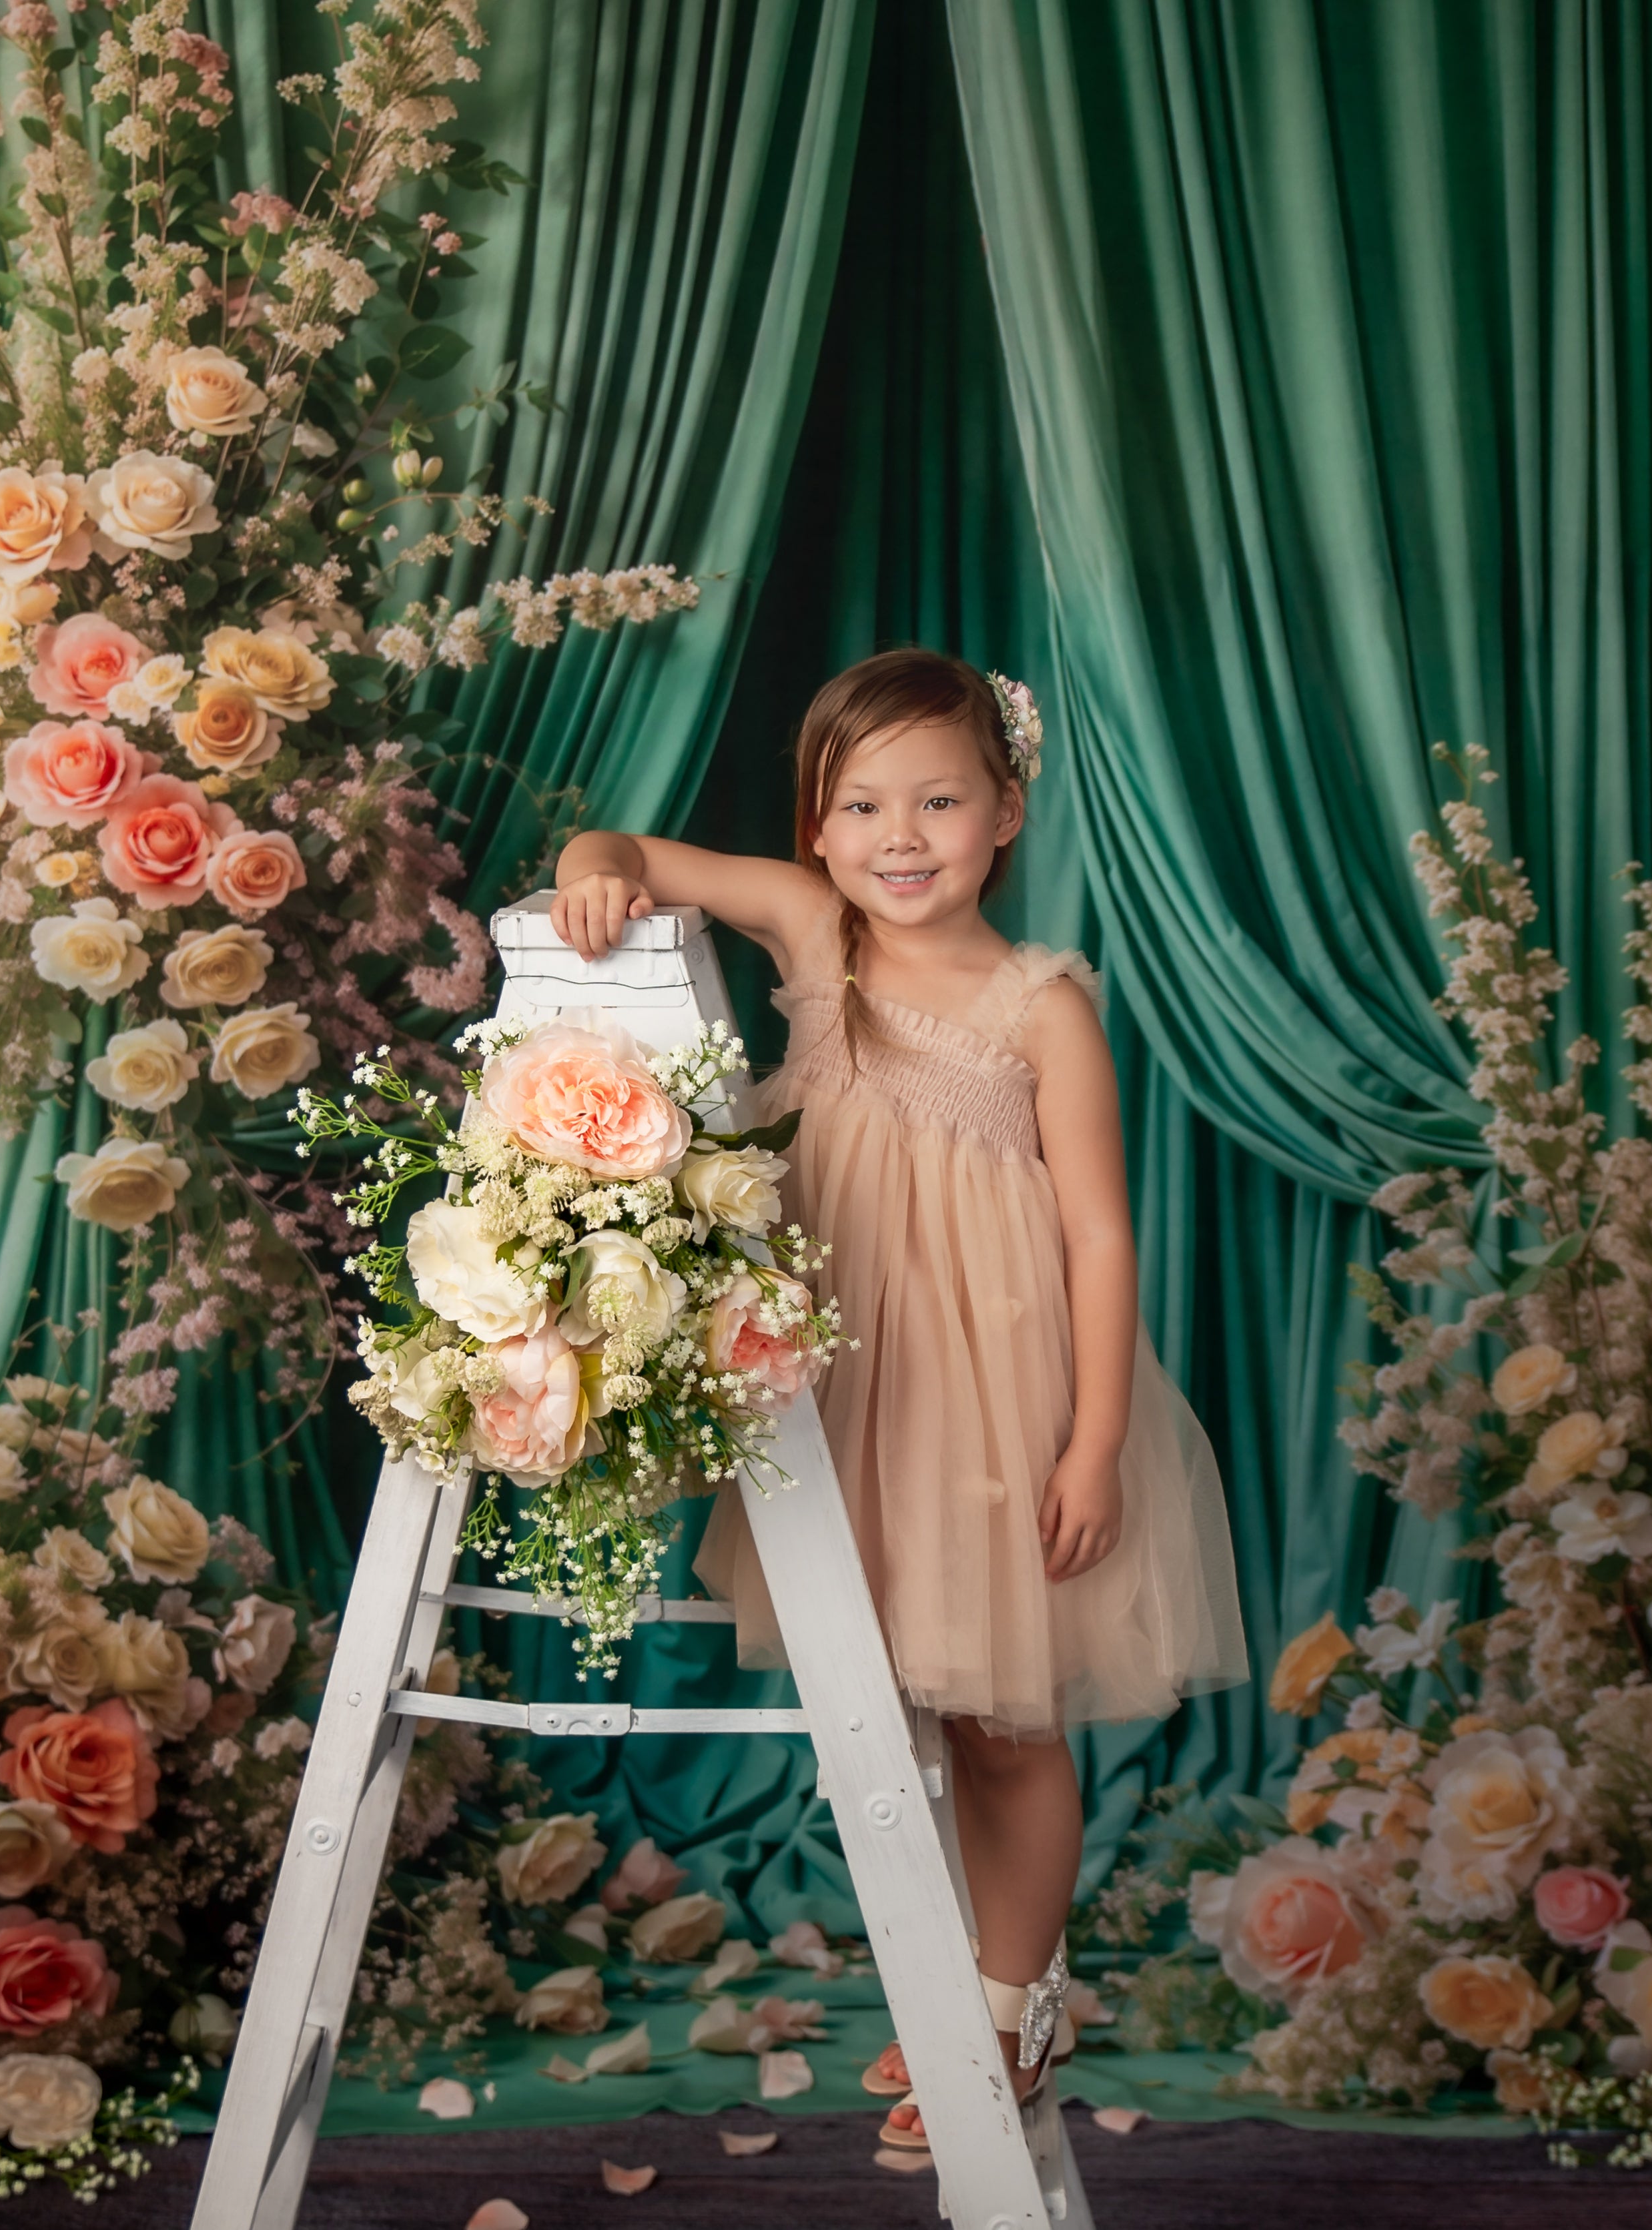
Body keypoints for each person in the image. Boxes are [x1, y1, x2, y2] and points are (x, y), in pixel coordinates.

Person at [550, 647, 1247, 2147]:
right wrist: (596, 860)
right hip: (849, 1403)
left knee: (1006, 1723)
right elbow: (645, 856)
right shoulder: (818, 937)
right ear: (817, 827)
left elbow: (1099, 1233)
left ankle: (1009, 2013)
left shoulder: (1038, 1005)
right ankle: (965, 1985)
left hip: (1001, 1405)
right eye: (862, 805)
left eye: (939, 800)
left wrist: (1099, 1439)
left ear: (1005, 811)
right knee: (899, 1716)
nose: (901, 836)